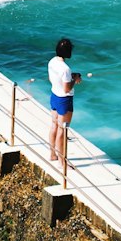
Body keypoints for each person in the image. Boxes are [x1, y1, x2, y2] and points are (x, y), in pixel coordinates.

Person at [47, 37, 81, 166]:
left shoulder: (52, 62)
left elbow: (52, 79)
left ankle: (52, 154)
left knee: (54, 126)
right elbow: (67, 89)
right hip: (64, 100)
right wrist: (75, 79)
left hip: (54, 96)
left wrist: (71, 77)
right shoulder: (65, 69)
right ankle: (62, 162)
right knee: (63, 130)